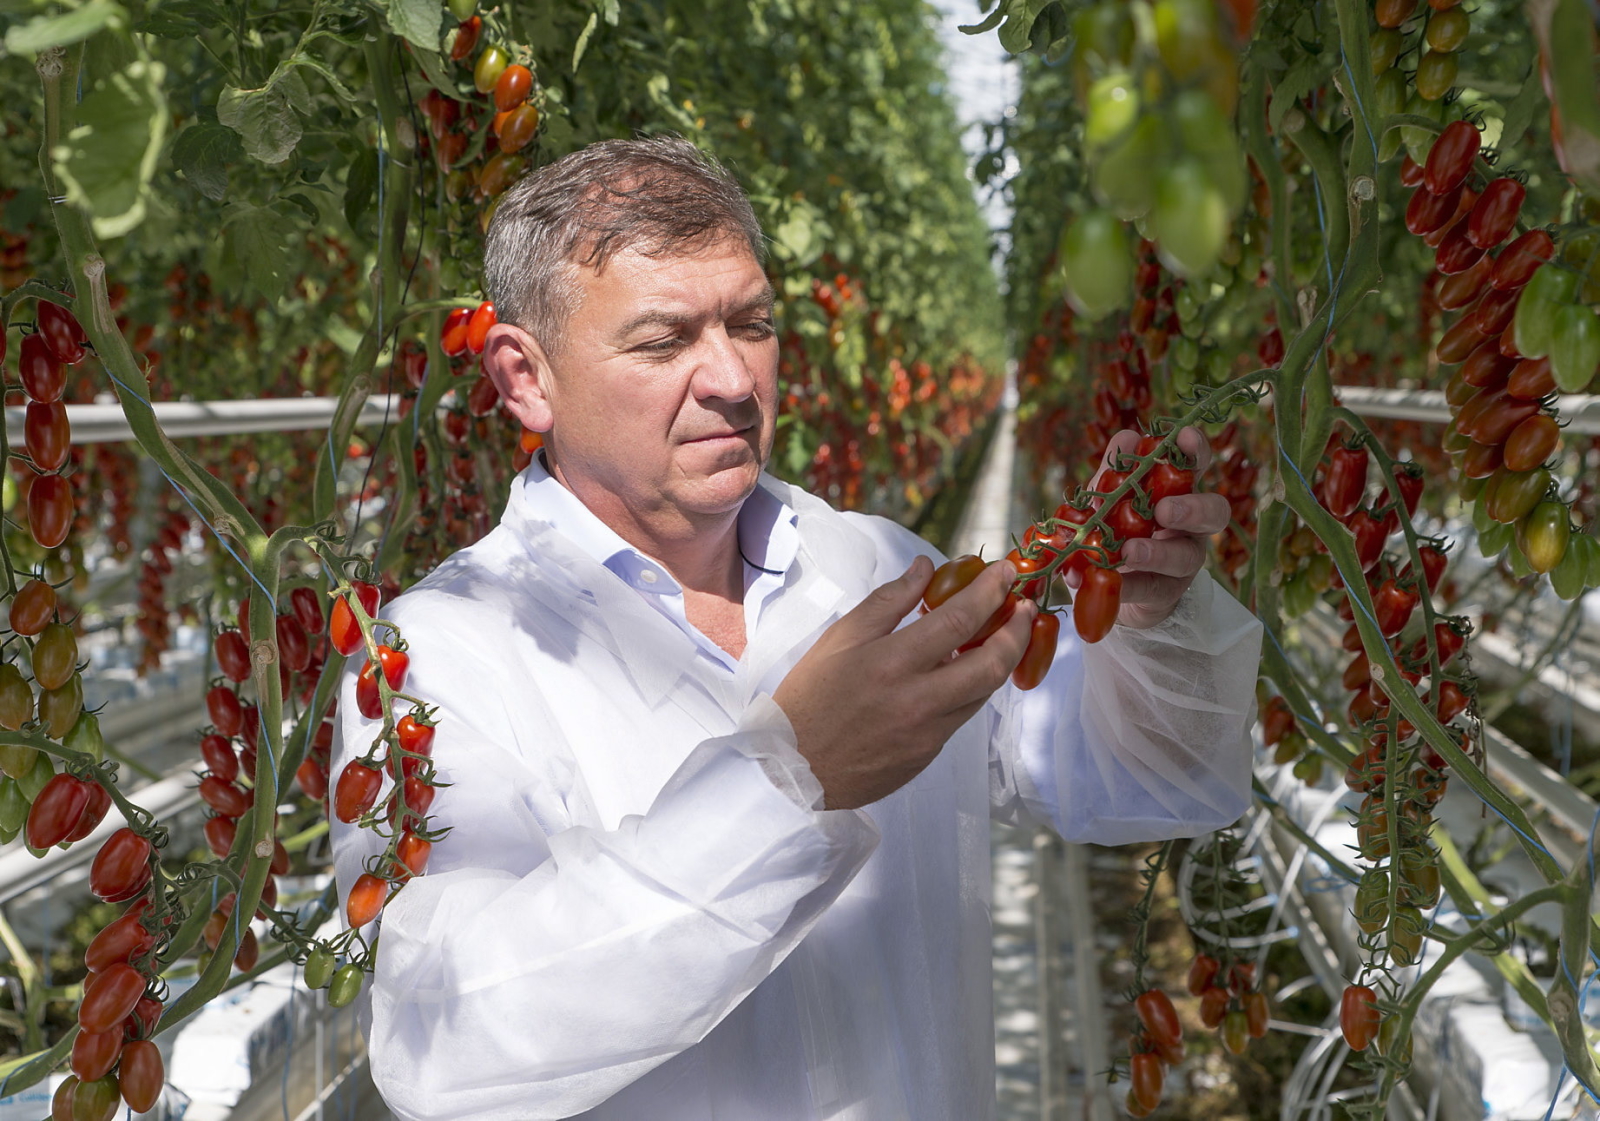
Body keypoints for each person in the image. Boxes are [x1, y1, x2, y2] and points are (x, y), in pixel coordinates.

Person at [329, 136, 1262, 1121]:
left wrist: (1152, 628)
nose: (732, 376)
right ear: (525, 376)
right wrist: (787, 774)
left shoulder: (877, 570)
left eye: (753, 323)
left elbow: (1145, 779)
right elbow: (448, 1041)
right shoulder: (443, 653)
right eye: (661, 341)